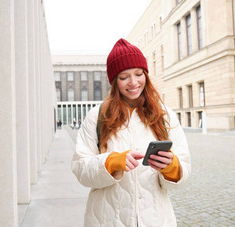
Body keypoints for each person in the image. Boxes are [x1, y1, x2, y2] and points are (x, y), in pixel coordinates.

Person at [71, 38, 191, 227]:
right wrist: (110, 162)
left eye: (138, 74)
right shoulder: (97, 115)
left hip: (156, 219)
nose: (133, 82)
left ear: (146, 75)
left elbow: (184, 168)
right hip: (106, 220)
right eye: (124, 77)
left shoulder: (165, 114)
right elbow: (81, 169)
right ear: (114, 81)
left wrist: (172, 168)